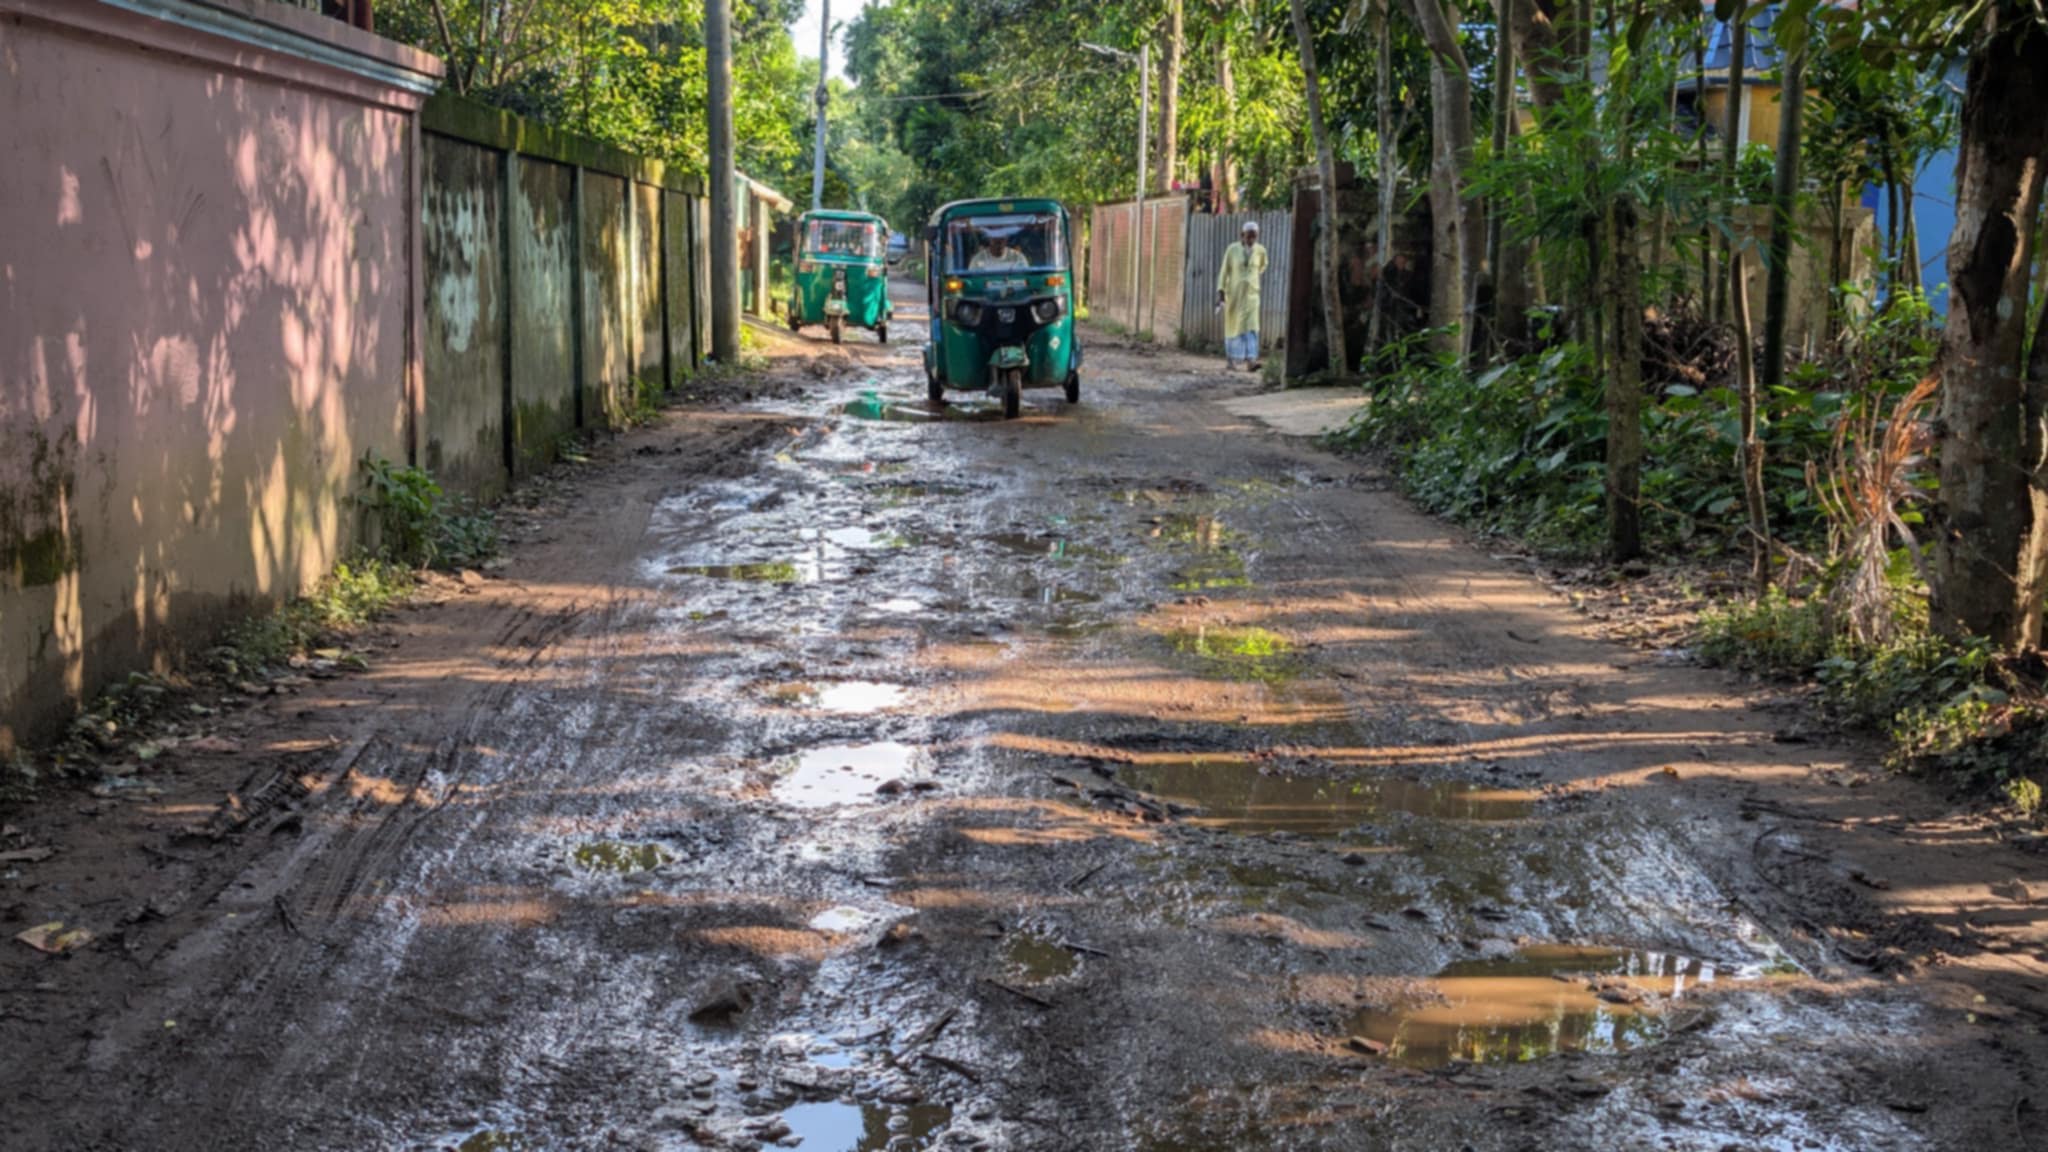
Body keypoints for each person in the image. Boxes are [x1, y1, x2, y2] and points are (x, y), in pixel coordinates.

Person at [1217, 220, 1269, 370]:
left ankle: (1251, 361)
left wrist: (1251, 280)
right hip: (1234, 296)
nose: (1251, 240)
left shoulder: (1261, 251)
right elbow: (1224, 271)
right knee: (1233, 327)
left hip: (1252, 296)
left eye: (1254, 236)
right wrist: (1221, 292)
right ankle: (1231, 360)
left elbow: (1263, 266)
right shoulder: (1232, 249)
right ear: (1242, 235)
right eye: (1249, 236)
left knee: (1252, 327)